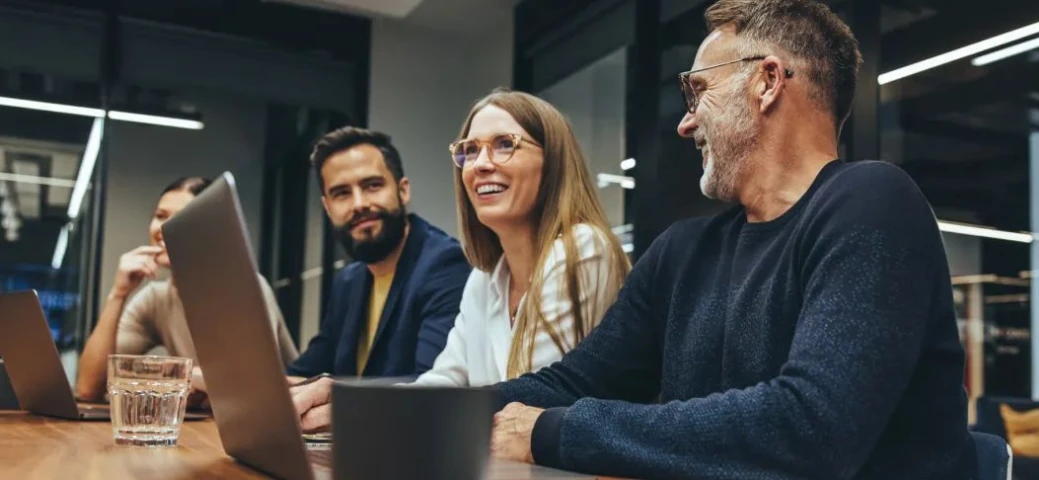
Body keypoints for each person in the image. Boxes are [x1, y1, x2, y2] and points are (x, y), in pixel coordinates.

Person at [294, 0, 976, 477]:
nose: (685, 123)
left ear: (767, 81)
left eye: (697, 90)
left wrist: (553, 432)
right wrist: (375, 405)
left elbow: (811, 431)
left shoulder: (872, 203)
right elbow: (571, 381)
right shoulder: (685, 253)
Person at [290, 90, 632, 432]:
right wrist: (354, 404)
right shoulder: (485, 277)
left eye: (504, 144)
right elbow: (445, 379)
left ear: (553, 161)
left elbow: (531, 402)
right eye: (470, 150)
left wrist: (364, 410)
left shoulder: (583, 248)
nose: (480, 164)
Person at [76, 177, 298, 402]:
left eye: (179, 219)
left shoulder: (247, 287)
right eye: (160, 216)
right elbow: (88, 387)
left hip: (284, 425)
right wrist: (118, 294)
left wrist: (172, 377)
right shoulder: (156, 298)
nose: (162, 228)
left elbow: (247, 385)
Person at [285, 127, 471, 379]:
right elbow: (306, 370)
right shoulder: (348, 282)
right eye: (342, 194)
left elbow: (431, 386)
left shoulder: (445, 265)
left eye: (372, 185)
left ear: (402, 191)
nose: (359, 203)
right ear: (328, 208)